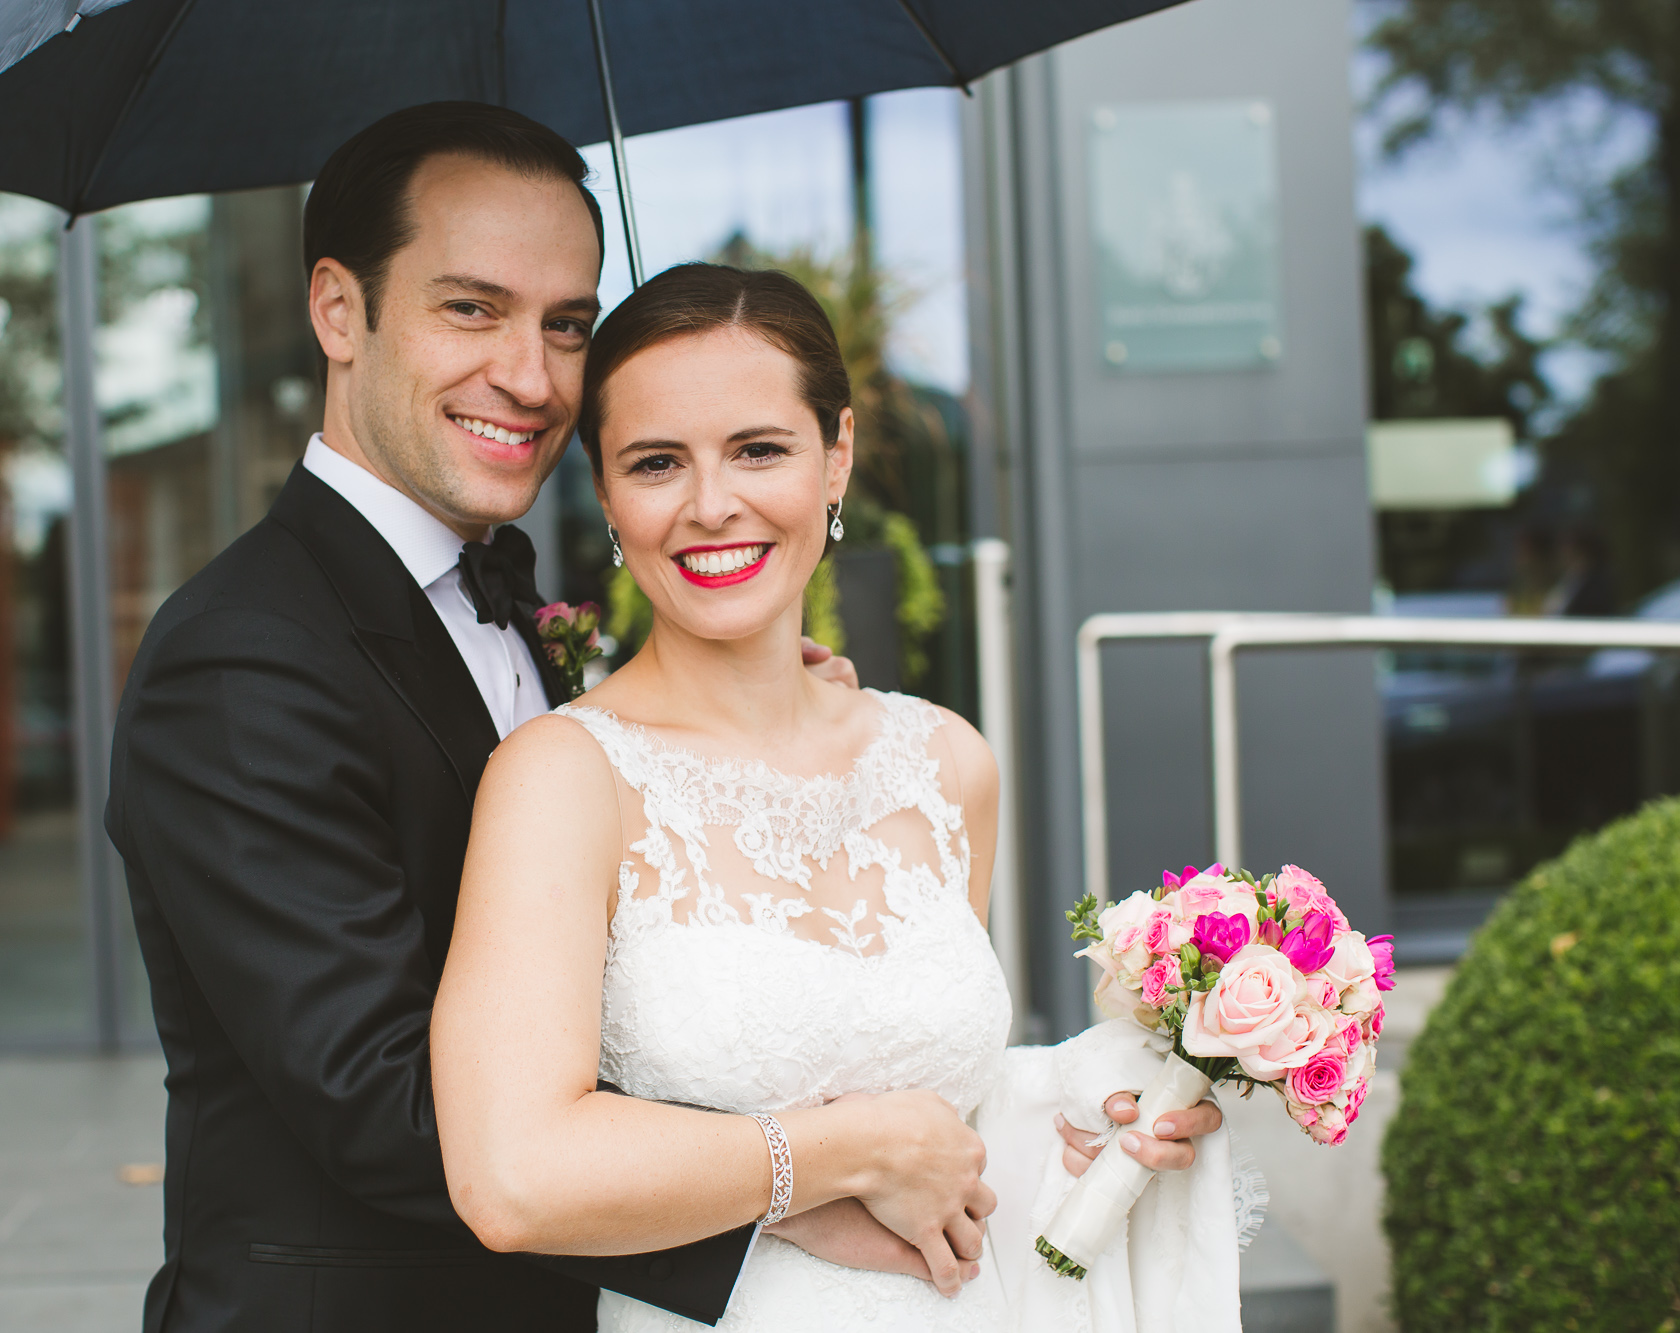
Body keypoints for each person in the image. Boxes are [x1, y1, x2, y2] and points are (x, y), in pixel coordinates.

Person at [430, 263, 1236, 1332]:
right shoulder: (563, 777)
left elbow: (954, 1119)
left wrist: (1083, 1125)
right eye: (656, 462)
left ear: (836, 455)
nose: (710, 504)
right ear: (608, 496)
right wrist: (835, 1153)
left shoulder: (945, 762)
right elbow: (512, 1178)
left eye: (759, 449)